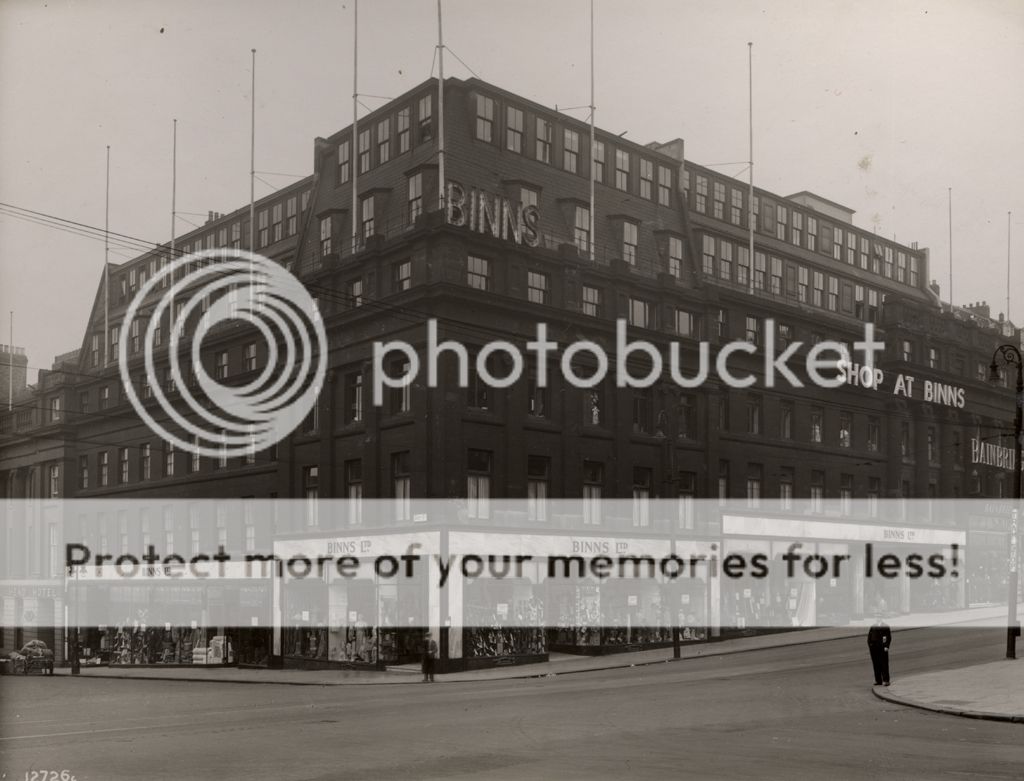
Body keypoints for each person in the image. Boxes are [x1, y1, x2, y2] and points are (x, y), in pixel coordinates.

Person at [867, 615, 892, 686]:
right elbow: (869, 637)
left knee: (884, 664)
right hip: (874, 648)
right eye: (876, 617)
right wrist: (870, 646)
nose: (877, 618)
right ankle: (878, 680)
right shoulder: (873, 626)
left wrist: (887, 646)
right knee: (876, 664)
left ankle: (886, 680)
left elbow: (888, 637)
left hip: (882, 647)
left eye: (879, 617)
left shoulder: (886, 626)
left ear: (881, 618)